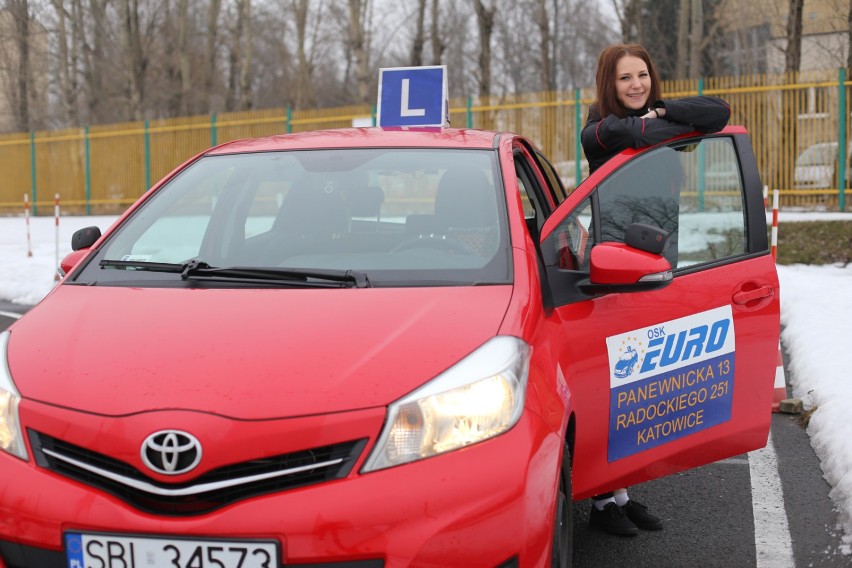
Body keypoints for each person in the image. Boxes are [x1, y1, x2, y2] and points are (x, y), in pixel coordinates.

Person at [580, 43, 731, 537]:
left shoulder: (656, 116)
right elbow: (633, 132)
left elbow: (719, 113)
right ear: (610, 83)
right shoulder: (598, 129)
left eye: (643, 76)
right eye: (625, 78)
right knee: (615, 383)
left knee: (644, 385)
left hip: (661, 262)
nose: (636, 85)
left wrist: (665, 112)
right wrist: (664, 124)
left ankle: (623, 491)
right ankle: (603, 500)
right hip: (614, 269)